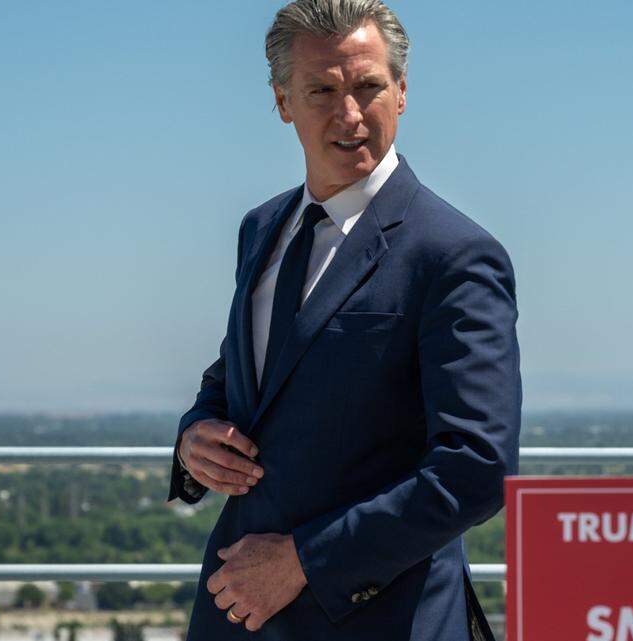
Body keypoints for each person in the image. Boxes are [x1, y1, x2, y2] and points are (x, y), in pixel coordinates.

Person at [165, 1, 521, 639]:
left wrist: (306, 561)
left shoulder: (455, 254)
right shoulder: (260, 228)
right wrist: (196, 435)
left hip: (379, 619)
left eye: (368, 87)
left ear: (403, 91)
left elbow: (477, 468)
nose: (350, 114)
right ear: (283, 101)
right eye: (322, 90)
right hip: (235, 611)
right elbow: (244, 373)